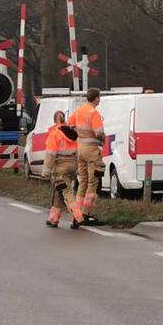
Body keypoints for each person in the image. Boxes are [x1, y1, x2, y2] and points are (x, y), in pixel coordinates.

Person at [68, 88, 105, 224]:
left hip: (80, 149)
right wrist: (103, 140)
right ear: (96, 98)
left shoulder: (79, 110)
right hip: (91, 150)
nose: (99, 100)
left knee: (82, 181)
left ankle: (77, 214)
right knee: (92, 181)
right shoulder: (93, 113)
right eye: (99, 97)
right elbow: (99, 132)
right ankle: (86, 213)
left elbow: (70, 124)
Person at [42, 110, 84, 229]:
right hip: (72, 167)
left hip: (61, 169)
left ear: (55, 120)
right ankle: (53, 219)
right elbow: (79, 151)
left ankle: (78, 217)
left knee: (66, 192)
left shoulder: (54, 134)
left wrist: (46, 172)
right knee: (59, 192)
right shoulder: (73, 133)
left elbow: (50, 154)